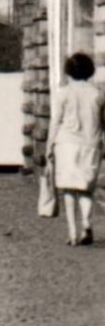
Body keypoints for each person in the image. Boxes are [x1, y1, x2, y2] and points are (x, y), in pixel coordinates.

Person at [46, 52, 104, 246]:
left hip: (66, 144)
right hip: (91, 144)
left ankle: (72, 232)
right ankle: (86, 223)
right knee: (86, 188)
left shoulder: (63, 93)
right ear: (89, 71)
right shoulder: (98, 94)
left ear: (69, 71)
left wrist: (49, 147)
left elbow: (55, 122)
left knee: (68, 189)